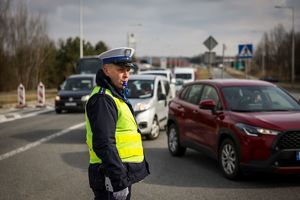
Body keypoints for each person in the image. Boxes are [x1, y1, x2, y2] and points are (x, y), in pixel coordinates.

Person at [85, 47, 150, 200]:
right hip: (111, 177)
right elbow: (104, 143)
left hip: (118, 174)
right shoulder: (103, 99)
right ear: (106, 70)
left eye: (128, 70)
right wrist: (118, 181)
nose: (126, 75)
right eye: (121, 70)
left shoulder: (114, 95)